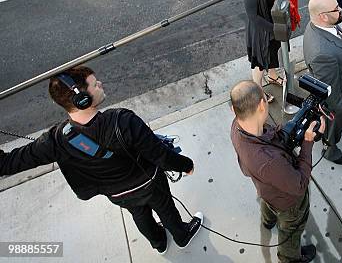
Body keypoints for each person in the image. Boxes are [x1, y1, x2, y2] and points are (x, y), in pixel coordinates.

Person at [0, 66, 202, 255]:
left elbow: (8, 163)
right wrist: (186, 165)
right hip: (149, 181)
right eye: (95, 84)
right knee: (166, 209)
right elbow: (161, 155)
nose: (101, 84)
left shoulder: (55, 141)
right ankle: (182, 236)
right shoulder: (123, 121)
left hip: (118, 194)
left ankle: (159, 243)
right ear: (83, 99)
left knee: (139, 214)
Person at [230, 80, 325, 263]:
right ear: (261, 106)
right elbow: (299, 185)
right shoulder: (270, 161)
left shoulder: (237, 126)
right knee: (291, 230)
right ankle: (289, 258)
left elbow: (270, 135)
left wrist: (297, 123)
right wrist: (307, 142)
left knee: (268, 203)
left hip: (266, 190)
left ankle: (268, 222)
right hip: (288, 203)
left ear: (234, 110)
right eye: (265, 98)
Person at [243, 0, 309, 103]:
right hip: (262, 31)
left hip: (276, 25)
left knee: (273, 53)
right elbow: (253, 16)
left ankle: (272, 76)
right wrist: (273, 29)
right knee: (259, 63)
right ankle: (258, 90)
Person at [303, 0, 342, 165]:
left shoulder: (320, 25)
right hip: (340, 102)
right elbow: (331, 93)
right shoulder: (322, 53)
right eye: (336, 9)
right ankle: (331, 151)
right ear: (323, 16)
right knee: (333, 129)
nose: (340, 10)